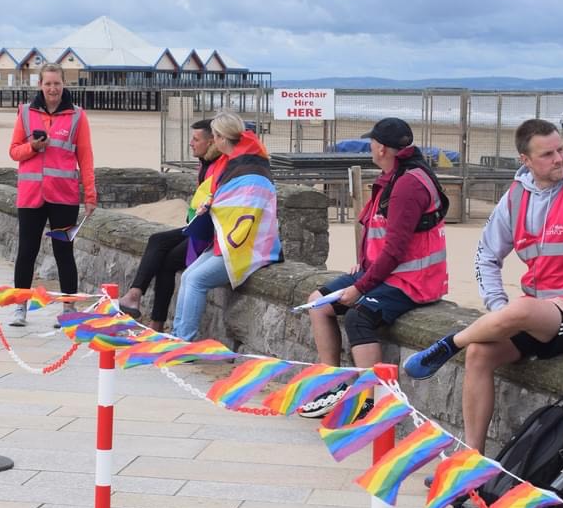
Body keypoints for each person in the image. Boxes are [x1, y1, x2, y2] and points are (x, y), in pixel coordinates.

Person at [403, 118, 563, 453]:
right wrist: (497, 308)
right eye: (547, 154)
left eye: (561, 150)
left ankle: (448, 345)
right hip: (533, 313)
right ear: (525, 159)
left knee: (519, 309)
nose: (559, 159)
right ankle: (473, 458)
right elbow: (486, 255)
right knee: (479, 353)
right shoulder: (516, 196)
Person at [299, 117, 450, 418]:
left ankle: (370, 402)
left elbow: (395, 249)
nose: (369, 147)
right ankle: (334, 385)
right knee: (318, 303)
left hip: (412, 280)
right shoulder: (396, 175)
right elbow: (380, 234)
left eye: (372, 143)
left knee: (358, 318)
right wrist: (365, 265)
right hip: (388, 271)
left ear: (381, 148)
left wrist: (360, 287)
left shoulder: (408, 184)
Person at [171, 111, 282, 341]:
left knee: (196, 280)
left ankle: (184, 340)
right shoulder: (235, 162)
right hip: (225, 242)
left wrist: (214, 206)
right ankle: (176, 335)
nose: (213, 141)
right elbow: (227, 200)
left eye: (215, 136)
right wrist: (211, 205)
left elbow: (249, 207)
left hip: (249, 247)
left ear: (222, 138)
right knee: (188, 275)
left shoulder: (249, 167)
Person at [7, 63, 97, 326]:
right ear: (40, 85)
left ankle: (68, 308)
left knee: (64, 253)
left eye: (57, 83)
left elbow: (86, 157)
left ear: (63, 84)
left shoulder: (78, 116)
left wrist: (90, 194)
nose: (53, 88)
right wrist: (33, 147)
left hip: (64, 197)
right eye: (48, 84)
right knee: (27, 251)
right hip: (31, 196)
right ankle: (20, 306)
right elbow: (13, 152)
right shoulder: (25, 112)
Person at [118, 118, 221, 330]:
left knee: (168, 261)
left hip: (210, 232)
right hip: (198, 224)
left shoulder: (219, 166)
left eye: (196, 139)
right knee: (157, 239)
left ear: (211, 142)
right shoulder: (205, 163)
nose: (191, 143)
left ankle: (156, 322)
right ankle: (135, 295)